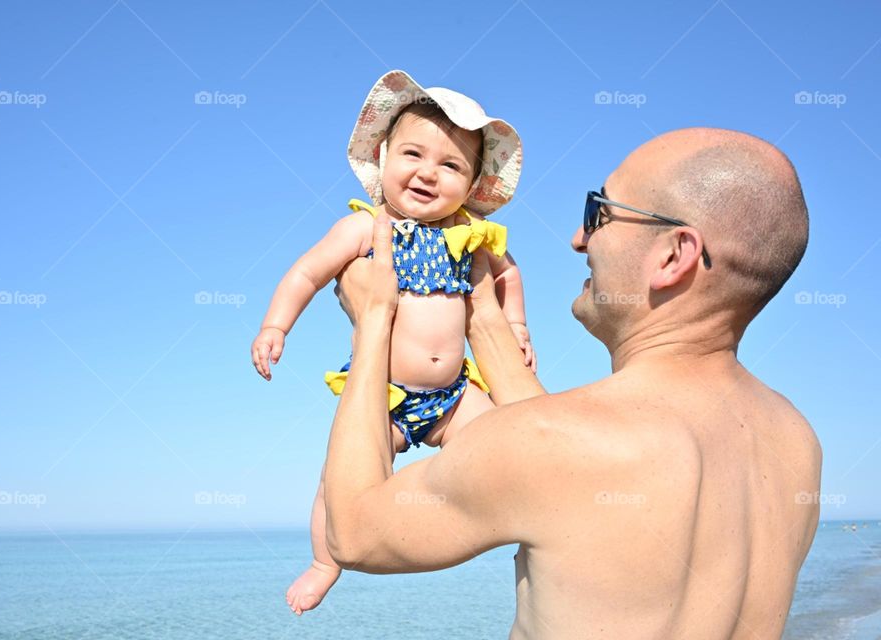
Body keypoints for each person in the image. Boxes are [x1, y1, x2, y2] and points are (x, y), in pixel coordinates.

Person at [323, 127, 822, 639]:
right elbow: (562, 460)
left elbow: (355, 532)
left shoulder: (558, 442)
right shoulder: (794, 440)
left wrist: (375, 319)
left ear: (674, 256)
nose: (579, 238)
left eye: (598, 212)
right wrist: (480, 308)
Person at [250, 70, 534, 614]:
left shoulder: (470, 234)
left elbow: (509, 277)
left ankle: (523, 529)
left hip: (454, 393)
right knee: (339, 479)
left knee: (511, 446)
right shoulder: (364, 228)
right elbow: (306, 274)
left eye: (450, 165)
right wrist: (275, 326)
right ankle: (324, 561)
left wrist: (517, 328)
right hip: (386, 392)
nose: (428, 174)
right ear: (383, 157)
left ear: (474, 183)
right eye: (413, 155)